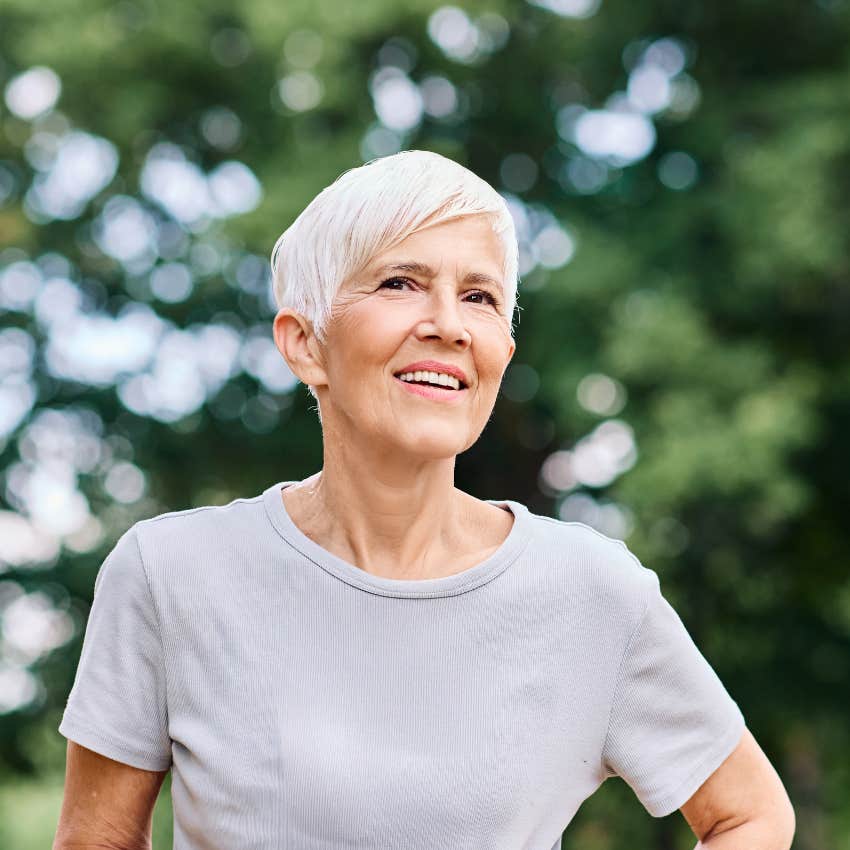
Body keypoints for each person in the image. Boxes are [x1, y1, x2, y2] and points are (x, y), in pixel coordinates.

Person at [53, 150, 795, 850]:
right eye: (399, 283)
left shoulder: (594, 592)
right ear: (304, 343)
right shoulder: (169, 574)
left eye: (479, 297)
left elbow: (751, 815)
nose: (446, 324)